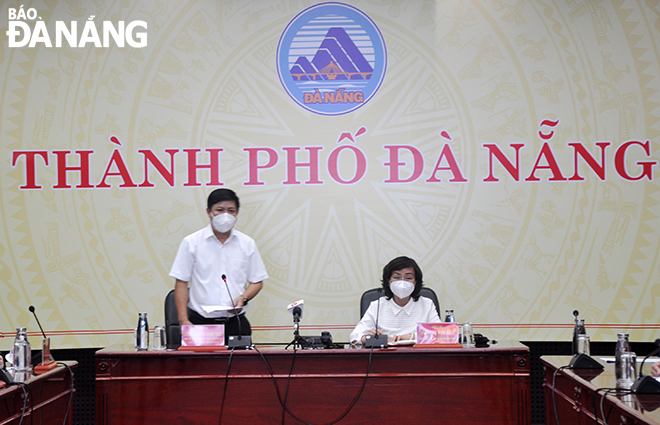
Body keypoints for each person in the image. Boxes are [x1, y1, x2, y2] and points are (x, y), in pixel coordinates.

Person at [169, 189, 268, 344]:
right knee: (201, 368)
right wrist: (183, 320)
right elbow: (181, 282)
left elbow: (257, 281)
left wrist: (243, 297)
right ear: (209, 212)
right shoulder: (191, 243)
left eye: (231, 211)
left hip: (236, 324)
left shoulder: (247, 244)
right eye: (220, 210)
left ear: (236, 213)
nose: (225, 216)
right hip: (201, 324)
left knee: (241, 368)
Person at [350, 256, 441, 346]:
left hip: (418, 357)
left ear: (416, 282)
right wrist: (370, 338)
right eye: (397, 277)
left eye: (408, 278)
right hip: (385, 357)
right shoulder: (377, 306)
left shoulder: (427, 304)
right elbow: (354, 337)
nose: (402, 282)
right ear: (388, 282)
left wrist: (411, 337)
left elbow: (441, 335)